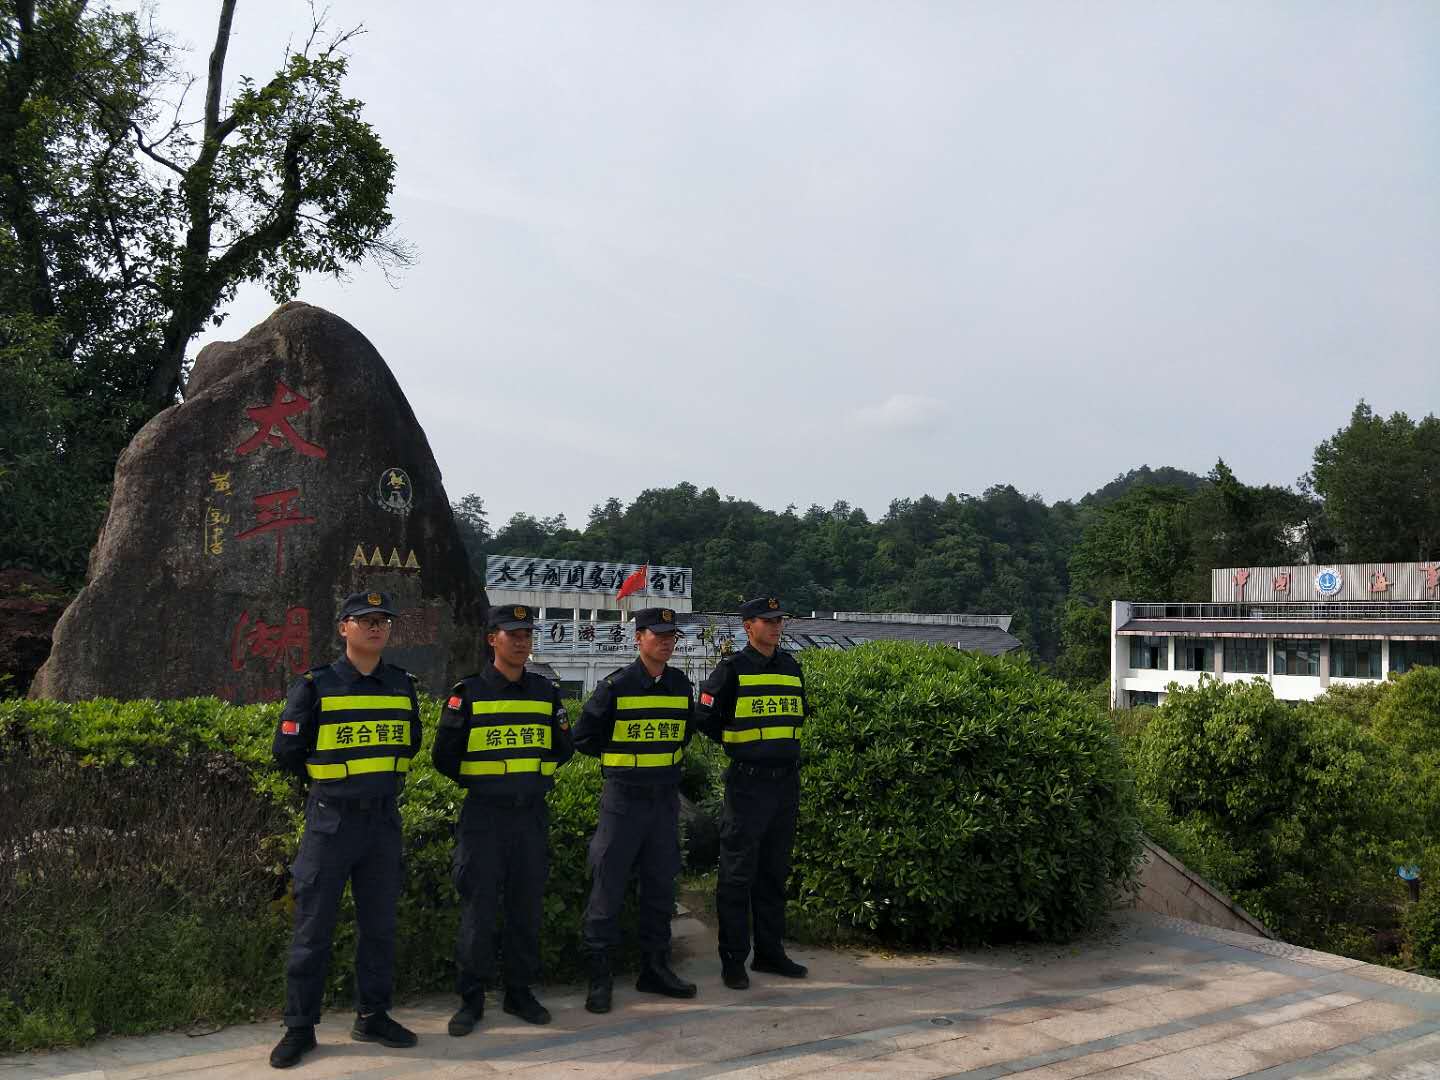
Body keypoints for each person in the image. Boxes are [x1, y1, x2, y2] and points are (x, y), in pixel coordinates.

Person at [269, 591, 422, 1070]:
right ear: (344, 628)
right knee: (313, 927)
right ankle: (300, 1027)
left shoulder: (402, 685)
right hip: (331, 821)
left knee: (380, 926)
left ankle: (373, 1016)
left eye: (383, 621)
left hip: (382, 822)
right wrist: (331, 786)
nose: (376, 627)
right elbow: (286, 752)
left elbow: (411, 743)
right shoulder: (316, 685)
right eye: (365, 620)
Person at [432, 603, 574, 1037]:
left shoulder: (545, 692)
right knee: (479, 910)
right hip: (484, 818)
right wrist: (488, 782)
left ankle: (519, 992)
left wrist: (526, 780)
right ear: (492, 639)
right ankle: (471, 999)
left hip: (530, 816)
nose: (521, 641)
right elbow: (444, 756)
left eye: (527, 634)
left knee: (525, 908)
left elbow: (563, 748)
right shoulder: (469, 693)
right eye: (513, 634)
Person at [573, 606, 698, 1013]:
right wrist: (623, 760)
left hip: (663, 802)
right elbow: (584, 737)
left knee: (660, 889)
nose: (665, 641)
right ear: (638, 638)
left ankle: (655, 969)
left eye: (670, 635)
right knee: (607, 889)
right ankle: (599, 979)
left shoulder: (680, 686)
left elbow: (685, 734)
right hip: (623, 801)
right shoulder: (616, 686)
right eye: (657, 634)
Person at [696, 596, 809, 990]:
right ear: (748, 627)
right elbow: (704, 717)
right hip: (748, 784)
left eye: (779, 620)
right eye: (767, 621)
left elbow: (797, 714)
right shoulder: (732, 670)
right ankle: (733, 960)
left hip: (785, 784)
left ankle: (769, 952)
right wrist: (737, 744)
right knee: (737, 875)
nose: (776, 626)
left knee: (774, 872)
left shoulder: (791, 666)